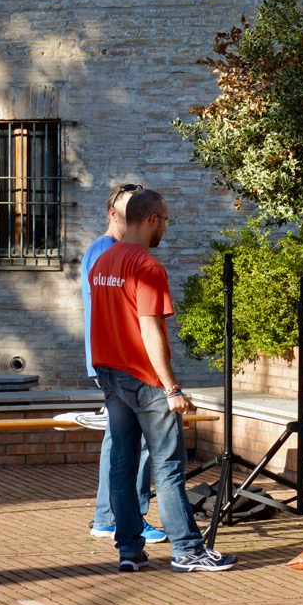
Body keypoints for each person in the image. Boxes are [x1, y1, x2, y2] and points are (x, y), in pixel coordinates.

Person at [89, 189, 236, 573]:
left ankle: (129, 550)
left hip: (110, 373)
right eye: (166, 220)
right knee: (168, 466)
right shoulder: (147, 267)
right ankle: (188, 550)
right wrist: (172, 388)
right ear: (152, 220)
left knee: (121, 464)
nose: (166, 227)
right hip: (144, 378)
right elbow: (150, 330)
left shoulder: (102, 261)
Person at [80, 183, 164, 544]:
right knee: (133, 445)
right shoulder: (108, 251)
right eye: (128, 211)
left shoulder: (107, 252)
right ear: (114, 213)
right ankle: (120, 517)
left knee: (121, 442)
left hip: (109, 359)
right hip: (121, 361)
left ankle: (111, 517)